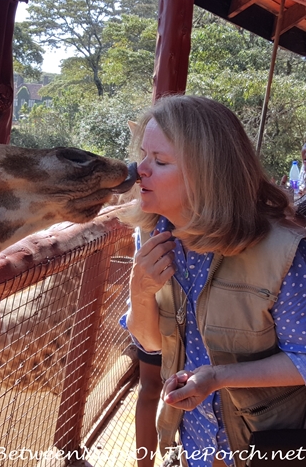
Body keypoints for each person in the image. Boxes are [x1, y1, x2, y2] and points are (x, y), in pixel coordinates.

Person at [122, 95, 306, 467]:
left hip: (265, 445)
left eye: (159, 161)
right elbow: (153, 343)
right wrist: (140, 292)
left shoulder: (283, 252)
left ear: (208, 175)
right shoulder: (153, 233)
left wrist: (218, 377)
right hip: (193, 441)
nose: (138, 169)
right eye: (143, 155)